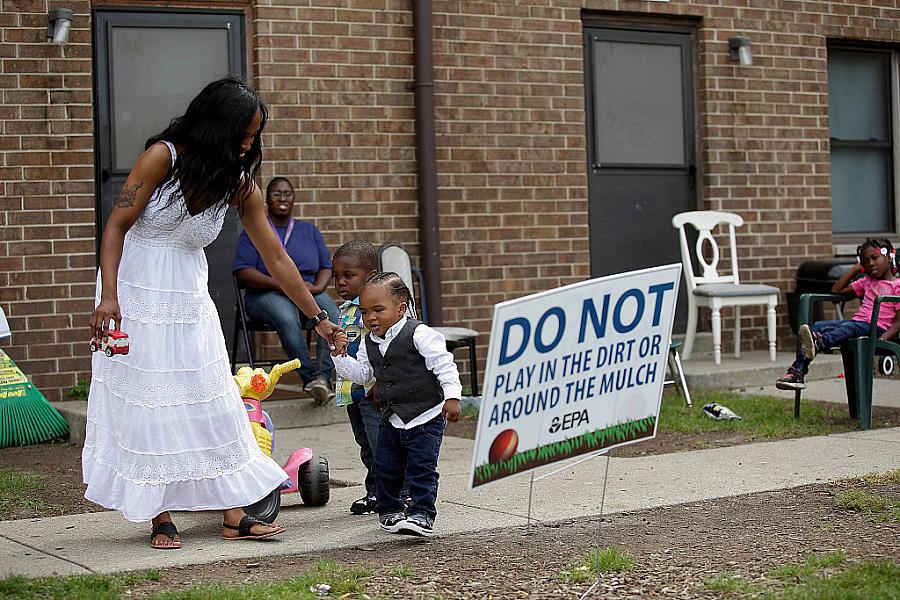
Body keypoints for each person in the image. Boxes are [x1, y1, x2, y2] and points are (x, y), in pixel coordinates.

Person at [84, 76, 342, 549]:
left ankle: (233, 512)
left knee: (213, 395)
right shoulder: (162, 157)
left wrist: (316, 317)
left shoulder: (241, 185)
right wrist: (109, 297)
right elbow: (117, 225)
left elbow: (278, 260)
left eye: (253, 138)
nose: (247, 146)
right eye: (242, 135)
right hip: (134, 288)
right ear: (214, 128)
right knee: (149, 396)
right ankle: (159, 515)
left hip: (186, 293)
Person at [331, 272, 461, 537]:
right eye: (365, 312)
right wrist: (340, 357)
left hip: (426, 415)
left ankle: (421, 514)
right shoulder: (369, 341)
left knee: (421, 468)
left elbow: (444, 365)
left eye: (379, 310)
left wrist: (452, 396)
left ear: (401, 308)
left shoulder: (420, 334)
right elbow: (363, 375)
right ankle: (389, 511)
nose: (371, 318)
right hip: (392, 417)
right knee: (385, 465)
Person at [232, 177, 339, 404]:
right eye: (276, 193)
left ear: (294, 199)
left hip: (308, 291)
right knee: (286, 317)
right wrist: (280, 284)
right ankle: (310, 378)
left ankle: (322, 378)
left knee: (331, 312)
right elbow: (244, 272)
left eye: (287, 193)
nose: (282, 198)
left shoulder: (308, 230)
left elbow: (326, 267)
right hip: (265, 294)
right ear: (266, 199)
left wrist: (318, 287)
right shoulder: (256, 228)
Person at [776, 238, 900, 390]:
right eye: (865, 261)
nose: (870, 264)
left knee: (850, 327)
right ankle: (797, 373)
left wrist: (882, 339)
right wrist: (855, 269)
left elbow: (899, 321)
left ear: (889, 257)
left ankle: (819, 343)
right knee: (818, 325)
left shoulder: (897, 285)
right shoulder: (866, 282)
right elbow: (836, 290)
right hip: (857, 325)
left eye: (875, 258)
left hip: (877, 328)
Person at [331, 241, 380, 514]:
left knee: (382, 444)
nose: (340, 282)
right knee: (366, 447)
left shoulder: (375, 309)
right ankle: (375, 493)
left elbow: (389, 347)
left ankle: (399, 494)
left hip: (373, 391)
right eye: (336, 276)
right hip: (353, 392)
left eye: (348, 276)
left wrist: (383, 383)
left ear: (370, 276)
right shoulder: (347, 308)